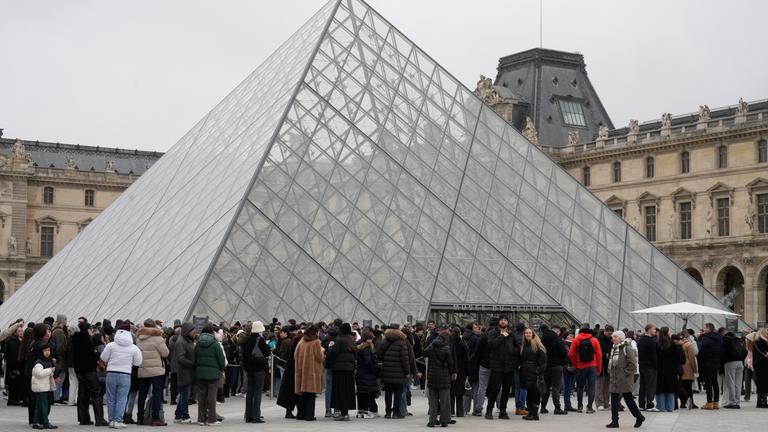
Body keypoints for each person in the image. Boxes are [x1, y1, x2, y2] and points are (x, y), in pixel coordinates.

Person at [100, 323, 143, 428]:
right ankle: (118, 420)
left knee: (111, 398)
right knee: (122, 398)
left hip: (111, 373)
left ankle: (111, 420)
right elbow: (138, 362)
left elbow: (103, 357)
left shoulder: (111, 345)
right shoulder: (134, 347)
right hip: (125, 374)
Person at [605, 330, 644, 429]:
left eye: (615, 337)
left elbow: (633, 365)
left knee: (628, 399)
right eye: (613, 336)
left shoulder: (627, 348)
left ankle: (639, 416)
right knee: (614, 400)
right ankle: (614, 421)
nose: (613, 338)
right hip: (614, 379)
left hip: (624, 379)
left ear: (621, 338)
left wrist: (624, 374)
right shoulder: (614, 348)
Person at [72, 321, 108, 426]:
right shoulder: (86, 340)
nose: (92, 330)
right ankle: (100, 419)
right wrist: (96, 356)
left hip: (79, 370)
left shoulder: (75, 339)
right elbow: (90, 355)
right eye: (90, 328)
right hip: (89, 370)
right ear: (86, 329)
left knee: (83, 394)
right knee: (96, 393)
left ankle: (84, 418)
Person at [136, 319, 170, 426]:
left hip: (143, 370)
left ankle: (140, 417)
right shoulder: (158, 338)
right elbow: (165, 353)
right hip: (156, 371)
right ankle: (155, 418)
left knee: (142, 394)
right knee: (156, 394)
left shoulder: (139, 338)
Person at [485, 315, 519, 420]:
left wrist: (512, 350)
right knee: (495, 389)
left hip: (509, 366)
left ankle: (503, 411)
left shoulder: (512, 334)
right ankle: (489, 410)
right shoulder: (493, 332)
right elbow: (491, 345)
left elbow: (517, 348)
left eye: (505, 320)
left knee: (506, 390)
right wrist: (502, 336)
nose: (503, 322)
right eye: (502, 320)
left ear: (507, 322)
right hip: (497, 365)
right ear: (499, 322)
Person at [425, 323, 456, 427]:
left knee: (433, 399)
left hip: (432, 374)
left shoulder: (432, 345)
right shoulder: (446, 348)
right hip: (444, 375)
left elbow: (424, 352)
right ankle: (444, 420)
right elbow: (451, 362)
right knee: (445, 399)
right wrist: (453, 372)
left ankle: (432, 421)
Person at [194, 324, 226, 426]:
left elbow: (194, 358)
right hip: (213, 374)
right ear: (212, 333)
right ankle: (211, 419)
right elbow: (221, 360)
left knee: (201, 396)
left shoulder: (197, 344)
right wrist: (220, 370)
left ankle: (201, 419)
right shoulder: (216, 344)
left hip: (200, 373)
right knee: (211, 397)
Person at [378, 324, 410, 419]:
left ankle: (388, 412)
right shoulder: (402, 341)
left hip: (387, 370)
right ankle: (396, 413)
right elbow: (405, 359)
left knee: (388, 392)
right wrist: (407, 372)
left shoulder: (385, 340)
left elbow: (379, 354)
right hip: (399, 371)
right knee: (398, 392)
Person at [326, 323, 357, 421]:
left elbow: (332, 354)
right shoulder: (351, 340)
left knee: (340, 391)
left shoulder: (339, 340)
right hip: (350, 369)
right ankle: (346, 413)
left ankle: (343, 413)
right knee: (347, 391)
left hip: (339, 369)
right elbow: (356, 354)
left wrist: (330, 348)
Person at [239, 321, 269, 423]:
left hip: (249, 370)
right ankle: (256, 416)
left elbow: (244, 355)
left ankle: (248, 416)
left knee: (250, 392)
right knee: (258, 392)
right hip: (259, 369)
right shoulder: (260, 340)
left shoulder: (246, 340)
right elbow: (267, 352)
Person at [568, 326, 602, 413]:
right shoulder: (594, 340)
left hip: (580, 367)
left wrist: (575, 364)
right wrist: (599, 368)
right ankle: (589, 407)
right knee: (591, 387)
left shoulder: (576, 340)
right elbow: (599, 355)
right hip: (592, 366)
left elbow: (571, 354)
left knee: (579, 387)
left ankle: (580, 406)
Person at [294, 325, 325, 421]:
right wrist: (323, 351)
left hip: (302, 371)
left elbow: (295, 355)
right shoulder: (316, 342)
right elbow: (319, 357)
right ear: (315, 332)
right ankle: (309, 415)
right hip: (312, 372)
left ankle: (300, 414)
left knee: (303, 395)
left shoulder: (302, 340)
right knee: (311, 395)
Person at [519, 327, 547, 421]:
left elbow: (543, 361)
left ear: (533, 334)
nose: (527, 334)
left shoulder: (538, 345)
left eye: (529, 333)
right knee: (529, 393)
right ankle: (531, 412)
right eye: (526, 333)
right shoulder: (524, 345)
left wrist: (538, 371)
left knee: (535, 393)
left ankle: (534, 413)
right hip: (526, 372)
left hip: (535, 373)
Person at [540, 325, 568, 415]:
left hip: (545, 366)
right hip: (556, 366)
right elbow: (564, 353)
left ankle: (543, 407)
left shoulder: (542, 339)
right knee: (556, 387)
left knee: (546, 387)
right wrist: (563, 362)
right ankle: (557, 408)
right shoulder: (558, 339)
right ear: (557, 332)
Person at [654, 327, 683, 412]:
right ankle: (670, 407)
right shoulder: (672, 344)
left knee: (660, 388)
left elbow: (655, 357)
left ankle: (661, 406)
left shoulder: (657, 343)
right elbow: (678, 358)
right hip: (671, 369)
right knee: (670, 388)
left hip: (660, 369)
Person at [31, 343, 58, 430]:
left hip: (44, 386)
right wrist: (50, 370)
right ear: (41, 351)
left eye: (49, 350)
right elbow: (39, 374)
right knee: (43, 405)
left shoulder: (48, 361)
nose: (47, 352)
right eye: (45, 350)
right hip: (40, 387)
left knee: (40, 405)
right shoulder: (39, 362)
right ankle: (45, 422)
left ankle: (36, 422)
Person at [173, 322, 196, 424]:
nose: (195, 333)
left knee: (183, 394)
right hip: (184, 372)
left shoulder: (187, 341)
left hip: (187, 371)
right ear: (187, 332)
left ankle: (178, 415)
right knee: (185, 395)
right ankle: (184, 416)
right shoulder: (181, 342)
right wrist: (192, 363)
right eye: (193, 331)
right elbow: (180, 358)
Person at [720, 327, 746, 409]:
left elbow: (722, 352)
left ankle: (732, 402)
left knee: (730, 383)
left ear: (722, 333)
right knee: (738, 383)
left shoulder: (725, 339)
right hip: (740, 362)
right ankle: (737, 402)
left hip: (730, 362)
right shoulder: (737, 339)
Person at [698, 323, 722, 410]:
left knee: (708, 383)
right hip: (716, 363)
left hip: (707, 363)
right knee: (715, 382)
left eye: (704, 328)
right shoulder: (718, 338)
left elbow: (701, 352)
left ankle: (709, 402)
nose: (703, 329)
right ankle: (716, 402)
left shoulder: (706, 338)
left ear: (708, 329)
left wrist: (700, 363)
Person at [355, 330, 379, 419]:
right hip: (367, 374)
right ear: (367, 339)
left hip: (360, 373)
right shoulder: (367, 348)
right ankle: (365, 411)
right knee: (367, 392)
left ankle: (360, 411)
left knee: (361, 393)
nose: (372, 340)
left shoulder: (359, 347)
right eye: (371, 339)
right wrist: (375, 370)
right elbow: (369, 362)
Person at [465, 322, 485, 416]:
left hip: (467, 365)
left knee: (468, 387)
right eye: (476, 328)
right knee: (476, 388)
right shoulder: (476, 339)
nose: (478, 329)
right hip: (475, 366)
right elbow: (478, 354)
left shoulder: (465, 337)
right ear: (472, 329)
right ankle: (476, 409)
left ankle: (465, 408)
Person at [636, 324, 658, 411]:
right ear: (649, 330)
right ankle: (650, 405)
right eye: (654, 329)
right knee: (650, 385)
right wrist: (656, 366)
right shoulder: (651, 341)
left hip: (642, 365)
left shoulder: (640, 340)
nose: (655, 331)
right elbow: (654, 355)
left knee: (643, 385)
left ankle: (641, 405)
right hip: (650, 366)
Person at [450, 326, 469, 418]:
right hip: (461, 370)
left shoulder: (449, 343)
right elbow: (466, 359)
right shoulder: (463, 344)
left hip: (451, 369)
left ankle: (451, 411)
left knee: (451, 392)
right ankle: (460, 412)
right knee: (460, 392)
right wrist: (467, 372)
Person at [5, 323, 26, 406]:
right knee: (14, 384)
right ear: (14, 332)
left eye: (22, 331)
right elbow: (14, 355)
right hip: (14, 367)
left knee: (15, 384)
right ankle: (13, 400)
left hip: (15, 366)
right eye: (19, 331)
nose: (21, 332)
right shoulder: (13, 342)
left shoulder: (17, 340)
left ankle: (14, 399)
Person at [596, 325, 614, 411]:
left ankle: (606, 402)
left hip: (608, 364)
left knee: (607, 384)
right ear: (604, 331)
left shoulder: (611, 340)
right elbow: (597, 351)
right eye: (608, 332)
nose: (610, 334)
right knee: (600, 384)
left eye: (611, 332)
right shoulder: (598, 339)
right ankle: (600, 403)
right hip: (600, 364)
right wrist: (605, 354)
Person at [748, 328, 768, 408]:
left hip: (758, 364)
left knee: (760, 383)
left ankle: (759, 402)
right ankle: (763, 402)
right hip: (765, 364)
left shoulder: (755, 341)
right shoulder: (763, 341)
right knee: (765, 383)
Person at [679, 330, 698, 409]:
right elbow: (692, 358)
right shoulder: (689, 345)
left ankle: (683, 403)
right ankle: (691, 402)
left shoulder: (679, 344)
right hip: (688, 367)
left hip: (680, 367)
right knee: (688, 386)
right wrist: (695, 369)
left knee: (682, 385)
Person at [562, 330, 577, 412]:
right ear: (567, 336)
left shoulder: (567, 344)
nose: (572, 336)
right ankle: (567, 405)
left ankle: (568, 404)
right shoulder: (566, 344)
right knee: (568, 387)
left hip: (569, 366)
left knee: (569, 387)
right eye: (571, 335)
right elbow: (569, 354)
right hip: (568, 367)